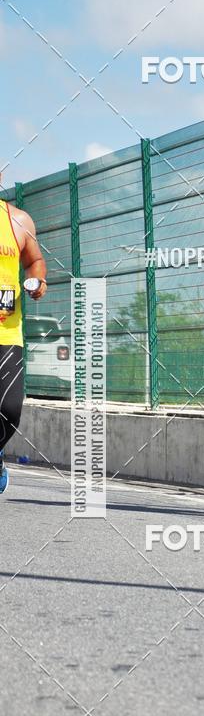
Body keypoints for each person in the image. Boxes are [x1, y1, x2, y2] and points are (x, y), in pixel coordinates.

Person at [0, 194, 47, 493]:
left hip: (6, 332)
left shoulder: (17, 220)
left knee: (10, 409)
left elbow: (34, 261)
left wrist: (38, 280)